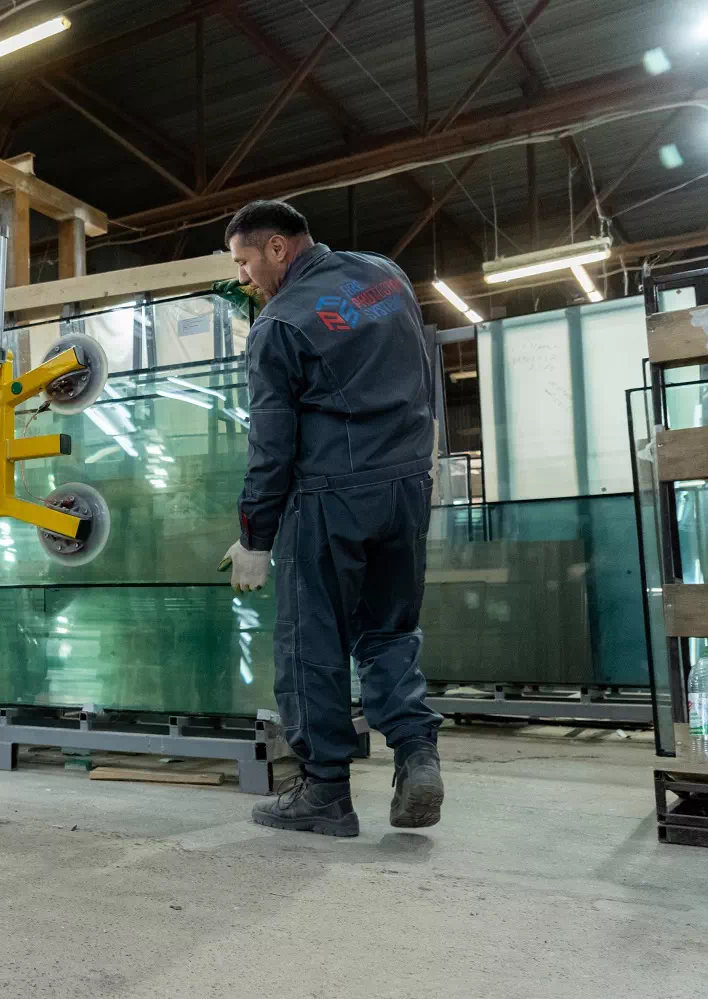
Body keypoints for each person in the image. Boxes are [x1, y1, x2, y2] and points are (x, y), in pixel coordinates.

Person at [218, 199, 443, 838]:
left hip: (331, 498)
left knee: (311, 643)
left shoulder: (279, 325)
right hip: (406, 485)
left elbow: (271, 448)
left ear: (277, 247)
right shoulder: (385, 275)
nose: (242, 277)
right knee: (391, 630)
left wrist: (254, 537)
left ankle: (325, 793)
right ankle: (416, 755)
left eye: (244, 261)